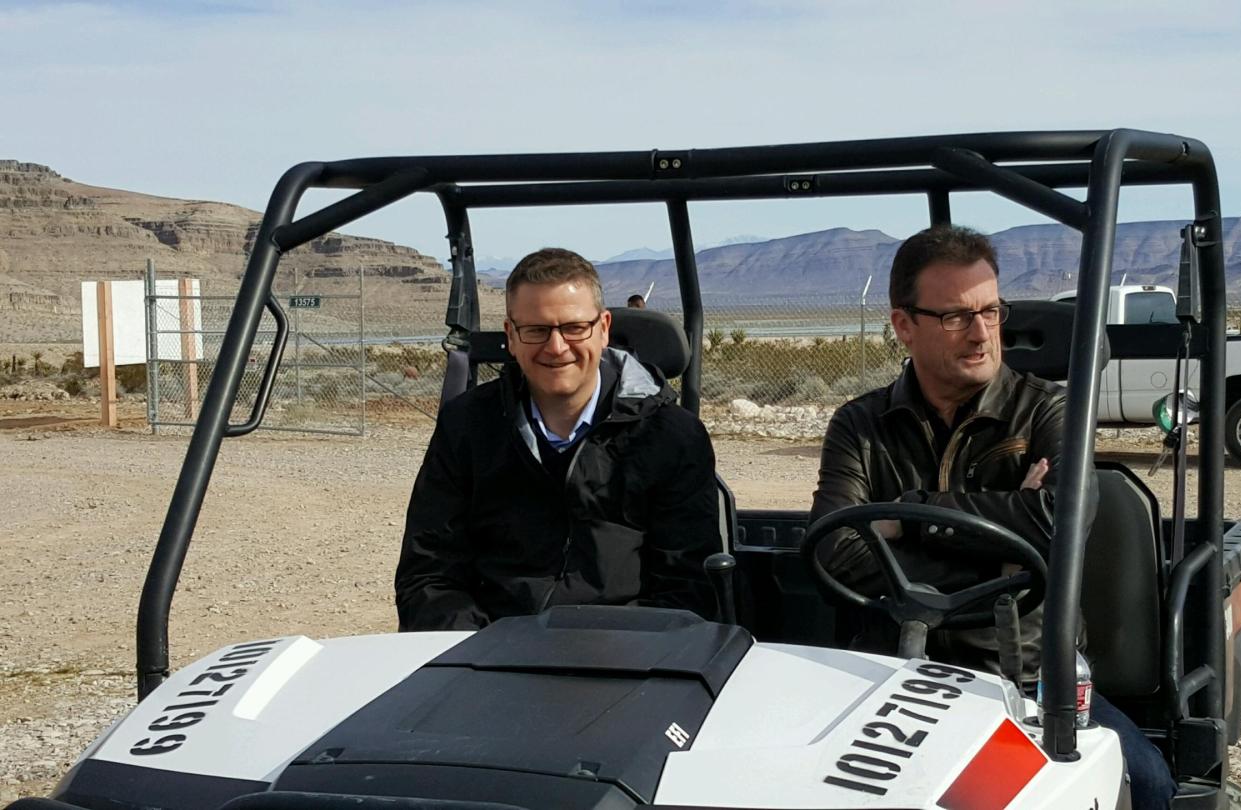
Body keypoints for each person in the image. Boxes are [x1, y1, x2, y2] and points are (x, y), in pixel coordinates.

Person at [810, 224, 1173, 808]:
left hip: (1023, 677)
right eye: (956, 317)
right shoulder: (861, 424)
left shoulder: (1049, 410)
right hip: (891, 677)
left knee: (1147, 781)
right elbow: (836, 554)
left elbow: (1060, 527)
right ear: (905, 325)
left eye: (991, 311)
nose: (981, 334)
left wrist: (914, 516)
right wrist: (1006, 554)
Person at [396, 248, 721, 632]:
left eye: (573, 328)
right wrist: (480, 647)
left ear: (603, 329)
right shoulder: (467, 426)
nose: (556, 347)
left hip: (625, 656)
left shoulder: (670, 437)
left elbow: (687, 590)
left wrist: (612, 656)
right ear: (511, 337)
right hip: (490, 651)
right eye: (536, 330)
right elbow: (428, 574)